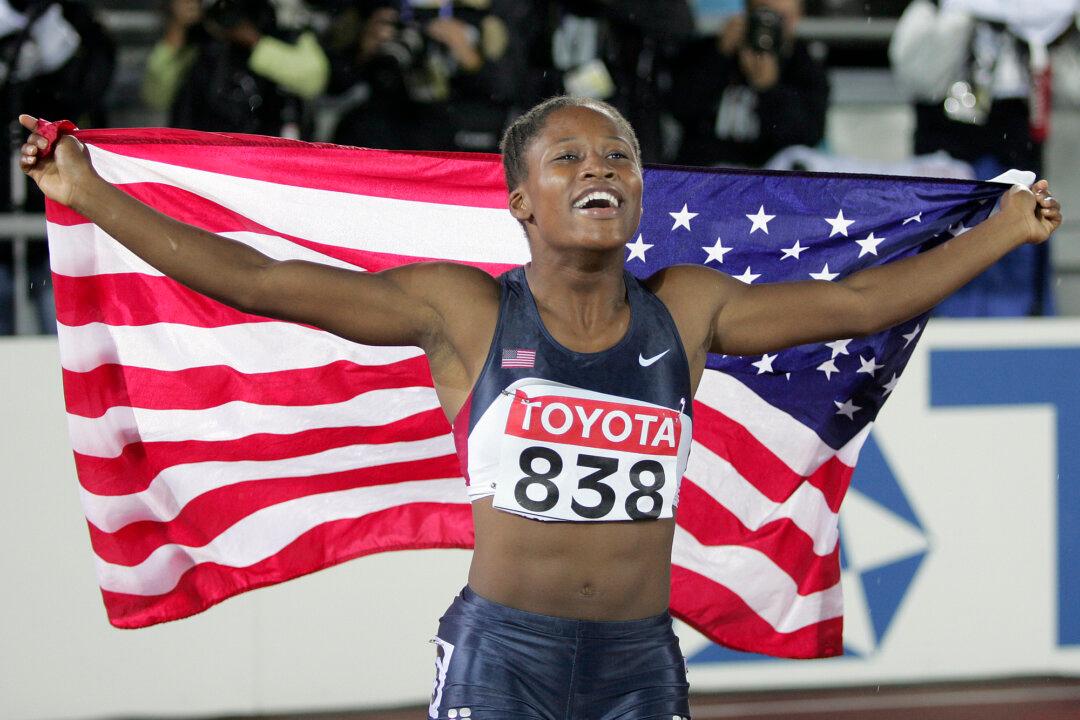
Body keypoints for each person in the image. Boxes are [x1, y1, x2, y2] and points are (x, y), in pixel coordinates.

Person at [18, 96, 1060, 716]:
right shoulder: (464, 312)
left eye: (618, 159)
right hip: (500, 657)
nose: (599, 169)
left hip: (639, 662)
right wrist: (95, 196)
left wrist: (1005, 230)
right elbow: (264, 284)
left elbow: (866, 299)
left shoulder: (687, 310)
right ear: (521, 198)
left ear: (641, 195)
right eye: (569, 159)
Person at [668, 0, 828, 168]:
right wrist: (719, 55)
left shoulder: (804, 65)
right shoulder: (713, 49)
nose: (768, 24)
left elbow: (807, 136)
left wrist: (769, 88)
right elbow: (679, 107)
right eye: (762, 13)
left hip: (772, 177)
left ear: (796, 18)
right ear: (747, 11)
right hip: (709, 171)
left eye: (780, 17)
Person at [142, 0, 329, 137]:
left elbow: (313, 80)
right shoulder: (197, 40)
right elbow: (155, 96)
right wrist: (177, 29)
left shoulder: (285, 25)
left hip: (267, 154)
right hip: (200, 157)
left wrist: (255, 42)